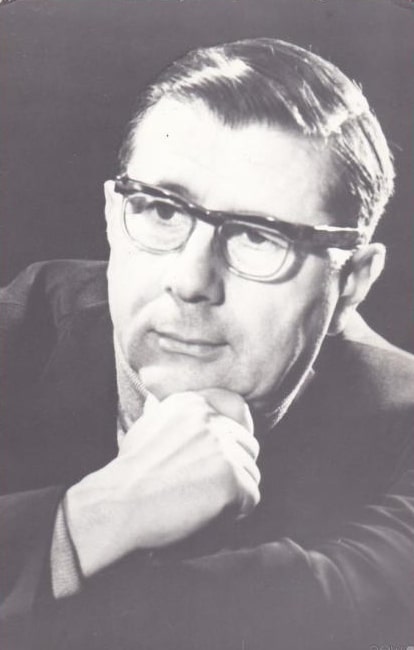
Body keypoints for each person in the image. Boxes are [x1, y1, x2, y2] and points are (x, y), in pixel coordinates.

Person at [1, 37, 413, 650]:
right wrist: (94, 516)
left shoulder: (403, 425)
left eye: (259, 236)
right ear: (113, 217)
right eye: (164, 212)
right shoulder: (19, 328)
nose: (191, 281)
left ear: (350, 282)